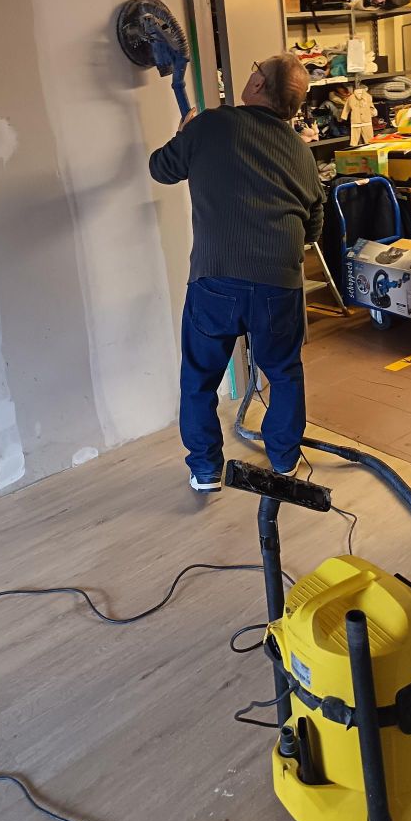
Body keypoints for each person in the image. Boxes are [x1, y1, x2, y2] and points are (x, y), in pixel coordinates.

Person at [149, 53, 324, 493]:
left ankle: (206, 470)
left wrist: (184, 135)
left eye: (255, 69)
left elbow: (161, 168)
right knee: (283, 372)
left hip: (217, 281)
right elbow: (313, 227)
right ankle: (283, 460)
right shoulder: (301, 152)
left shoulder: (212, 125)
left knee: (200, 379)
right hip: (279, 285)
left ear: (259, 85)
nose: (251, 73)